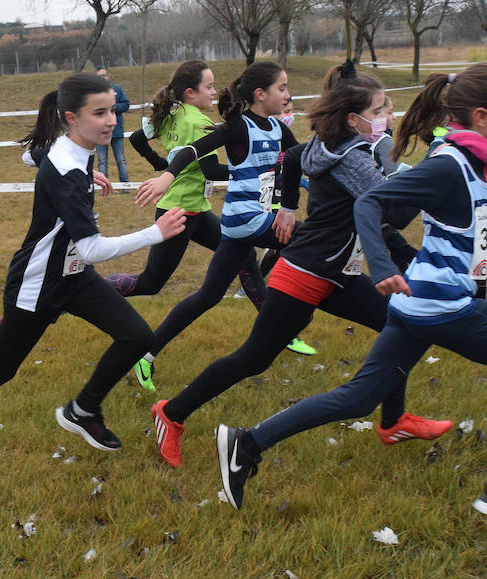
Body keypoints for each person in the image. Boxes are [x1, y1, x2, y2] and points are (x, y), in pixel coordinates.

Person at [215, 64, 487, 527]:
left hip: (416, 303)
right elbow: (370, 202)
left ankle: (248, 442)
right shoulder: (450, 164)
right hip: (442, 304)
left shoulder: (479, 163)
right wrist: (383, 266)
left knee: (359, 397)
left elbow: (481, 224)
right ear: (483, 116)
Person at [149, 68, 450, 468]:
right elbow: (395, 213)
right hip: (306, 275)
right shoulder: (351, 158)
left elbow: (291, 158)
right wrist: (428, 166)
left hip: (337, 273)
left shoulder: (334, 146)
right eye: (379, 110)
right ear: (353, 120)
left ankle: (394, 421)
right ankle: (171, 413)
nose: (388, 117)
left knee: (401, 324)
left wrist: (288, 207)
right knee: (253, 358)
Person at [0, 73, 187, 480]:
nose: (112, 120)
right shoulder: (67, 167)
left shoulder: (75, 150)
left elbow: (36, 156)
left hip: (75, 276)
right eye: (100, 113)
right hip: (38, 284)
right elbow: (94, 246)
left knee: (138, 337)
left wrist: (82, 173)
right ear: (71, 118)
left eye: (112, 109)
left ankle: (84, 409)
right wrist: (156, 233)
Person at [129, 61, 308, 391]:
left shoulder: (278, 128)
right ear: (260, 94)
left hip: (212, 214)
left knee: (209, 295)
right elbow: (192, 154)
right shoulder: (232, 126)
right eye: (282, 88)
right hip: (237, 219)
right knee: (312, 242)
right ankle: (288, 326)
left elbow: (299, 157)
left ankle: (147, 352)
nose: (287, 95)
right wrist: (166, 174)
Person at [94, 66, 130, 183]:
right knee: (102, 161)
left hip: (116, 131)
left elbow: (125, 104)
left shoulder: (117, 89)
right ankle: (103, 185)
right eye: (99, 76)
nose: (102, 78)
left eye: (103, 75)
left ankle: (125, 185)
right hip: (99, 132)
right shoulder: (93, 93)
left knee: (121, 160)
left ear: (108, 76)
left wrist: (111, 108)